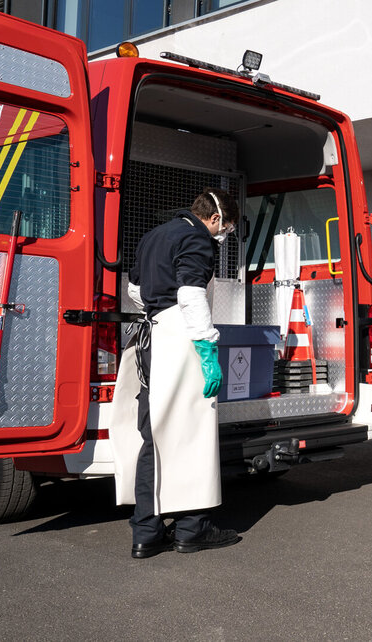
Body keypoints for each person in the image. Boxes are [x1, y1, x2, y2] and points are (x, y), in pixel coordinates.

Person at [113, 188, 242, 558]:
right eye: (226, 228)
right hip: (181, 339)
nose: (223, 235)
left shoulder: (155, 234)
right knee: (191, 434)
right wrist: (205, 346)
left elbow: (135, 289)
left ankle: (147, 530)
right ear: (215, 219)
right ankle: (191, 528)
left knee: (153, 432)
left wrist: (157, 310)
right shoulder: (198, 238)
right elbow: (190, 293)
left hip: (149, 338)